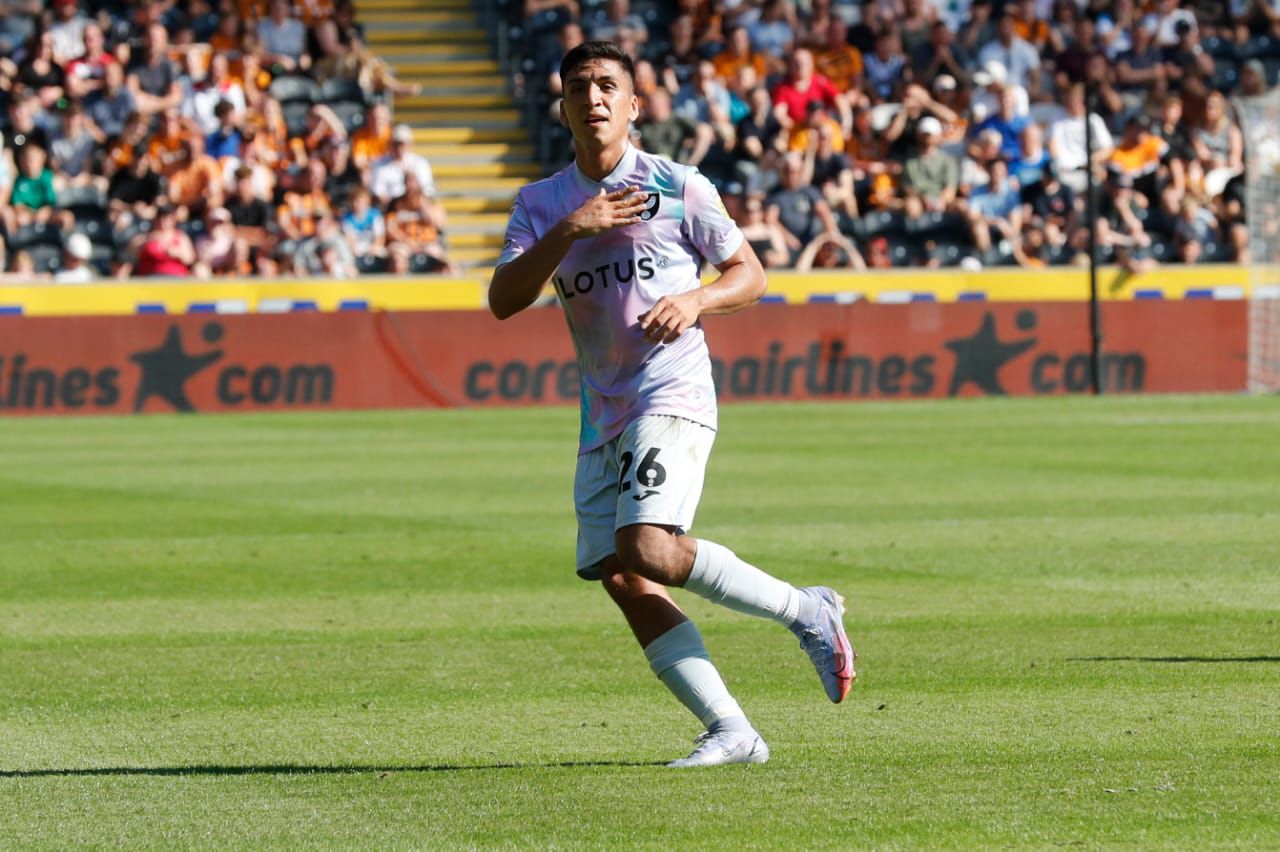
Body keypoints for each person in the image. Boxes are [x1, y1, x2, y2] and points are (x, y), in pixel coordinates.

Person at [488, 41, 855, 769]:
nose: (593, 98)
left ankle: (808, 611)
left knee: (649, 547)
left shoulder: (678, 183)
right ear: (562, 107)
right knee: (625, 575)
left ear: (633, 105)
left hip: (673, 387)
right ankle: (733, 731)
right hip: (603, 411)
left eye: (607, 86)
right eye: (579, 87)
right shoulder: (540, 204)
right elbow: (502, 301)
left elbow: (749, 275)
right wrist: (572, 229)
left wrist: (695, 299)